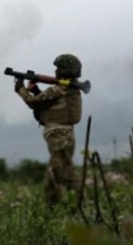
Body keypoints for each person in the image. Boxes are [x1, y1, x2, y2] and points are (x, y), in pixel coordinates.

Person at [14, 54, 84, 208]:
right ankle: (53, 209)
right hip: (62, 135)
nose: (56, 71)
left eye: (59, 68)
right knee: (55, 174)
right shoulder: (70, 88)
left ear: (65, 70)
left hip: (60, 135)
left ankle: (81, 206)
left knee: (62, 172)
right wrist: (36, 89)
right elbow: (47, 103)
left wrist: (21, 89)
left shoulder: (60, 89)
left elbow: (33, 102)